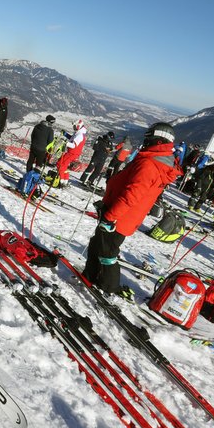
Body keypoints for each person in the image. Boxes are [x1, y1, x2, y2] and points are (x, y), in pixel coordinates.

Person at [82, 122, 181, 299]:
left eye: (149, 138)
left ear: (158, 141)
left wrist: (110, 217)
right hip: (122, 214)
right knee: (97, 244)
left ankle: (108, 286)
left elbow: (132, 195)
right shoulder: (156, 162)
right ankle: (91, 275)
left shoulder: (150, 164)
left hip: (119, 217)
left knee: (107, 252)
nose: (146, 142)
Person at [54, 119, 87, 187]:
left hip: (72, 153)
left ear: (78, 126)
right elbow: (72, 139)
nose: (74, 128)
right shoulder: (78, 132)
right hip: (72, 153)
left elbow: (73, 145)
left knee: (60, 164)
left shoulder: (80, 135)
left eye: (75, 126)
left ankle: (61, 181)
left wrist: (65, 143)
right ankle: (64, 181)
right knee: (65, 166)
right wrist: (65, 134)